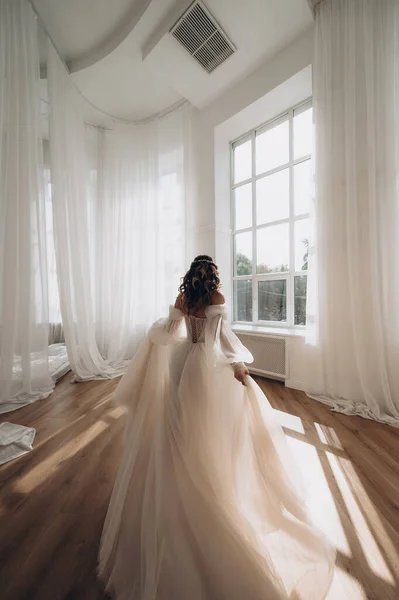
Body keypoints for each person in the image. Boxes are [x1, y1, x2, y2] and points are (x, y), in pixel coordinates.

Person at [98, 255, 335, 600]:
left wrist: (154, 333)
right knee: (204, 422)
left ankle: (186, 469)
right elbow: (222, 337)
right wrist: (238, 365)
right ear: (213, 275)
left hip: (181, 362)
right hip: (203, 368)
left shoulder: (183, 299)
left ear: (193, 275)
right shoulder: (218, 298)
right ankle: (205, 473)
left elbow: (168, 333)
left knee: (178, 419)